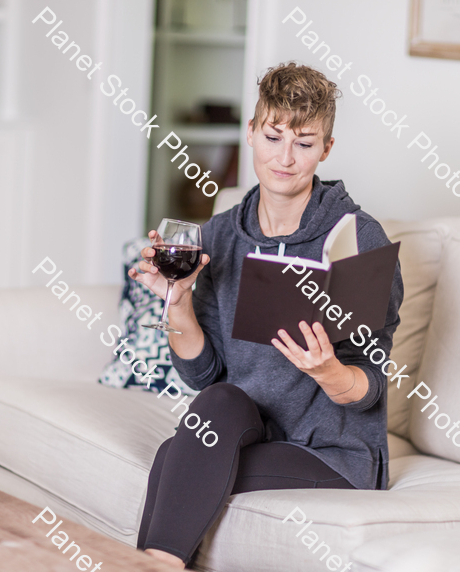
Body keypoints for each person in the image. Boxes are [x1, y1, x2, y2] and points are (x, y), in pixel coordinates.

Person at [129, 61, 404, 569]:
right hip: (245, 427)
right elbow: (201, 374)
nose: (285, 158)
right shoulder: (220, 235)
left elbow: (370, 389)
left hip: (332, 454)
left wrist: (328, 372)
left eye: (304, 143)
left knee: (175, 459)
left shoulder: (357, 241)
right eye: (274, 137)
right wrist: (179, 301)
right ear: (251, 133)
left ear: (326, 149)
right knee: (218, 401)